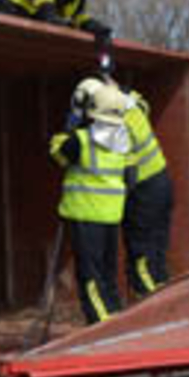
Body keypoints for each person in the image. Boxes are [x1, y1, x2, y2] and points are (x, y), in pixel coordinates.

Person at [49, 79, 130, 325]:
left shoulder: (81, 140)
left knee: (90, 279)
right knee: (107, 275)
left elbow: (57, 155)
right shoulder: (122, 142)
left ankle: (100, 326)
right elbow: (131, 177)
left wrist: (71, 121)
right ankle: (116, 319)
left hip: (86, 216)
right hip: (111, 217)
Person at [118, 86, 174, 299]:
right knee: (158, 250)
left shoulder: (114, 123)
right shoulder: (134, 105)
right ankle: (164, 301)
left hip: (143, 190)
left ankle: (150, 305)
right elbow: (143, 103)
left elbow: (128, 171)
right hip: (162, 181)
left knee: (141, 256)